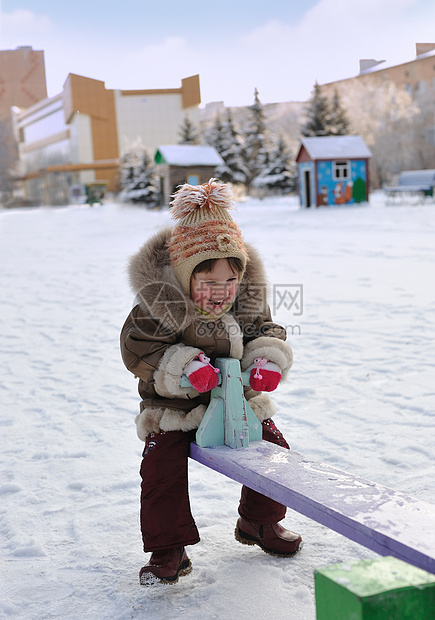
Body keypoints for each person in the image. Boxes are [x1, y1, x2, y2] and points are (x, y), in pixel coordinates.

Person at [120, 178, 302, 585]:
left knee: (273, 449)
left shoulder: (247, 299)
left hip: (236, 402)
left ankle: (260, 521)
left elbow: (265, 332)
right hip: (175, 407)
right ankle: (169, 548)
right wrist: (184, 367)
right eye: (208, 283)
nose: (221, 293)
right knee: (161, 466)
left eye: (230, 282)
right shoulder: (160, 305)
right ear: (185, 278)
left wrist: (265, 361)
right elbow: (138, 349)